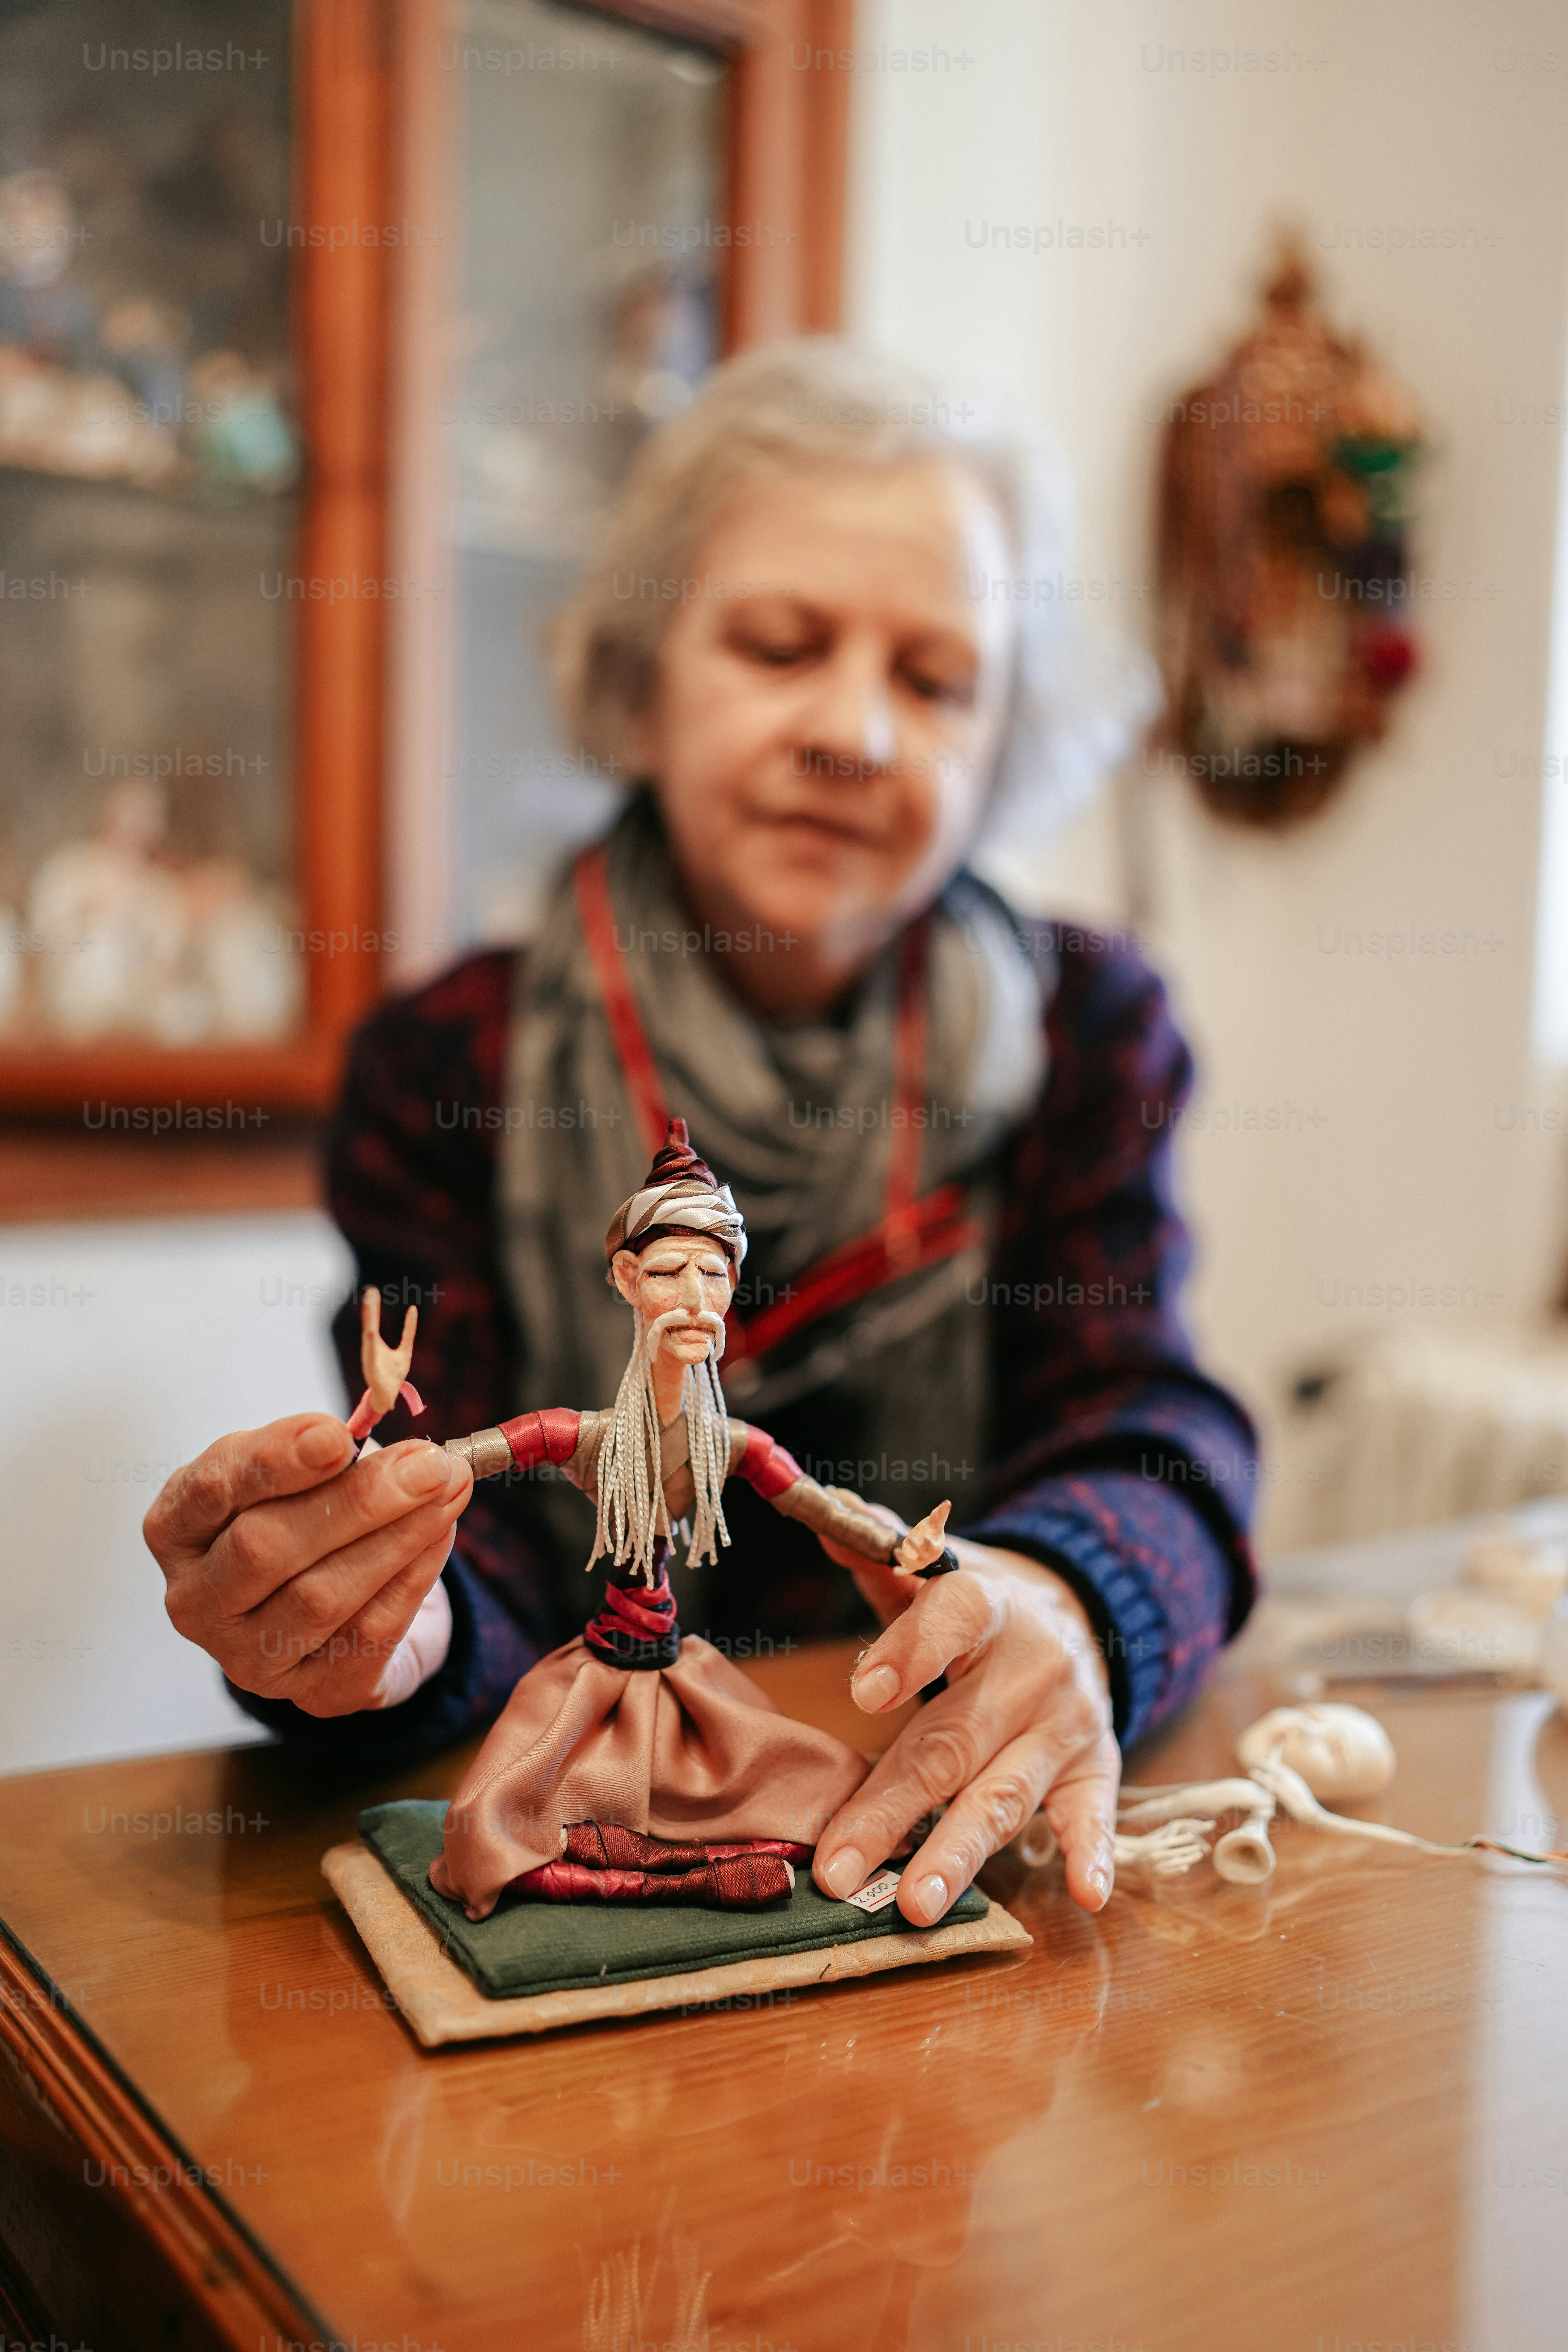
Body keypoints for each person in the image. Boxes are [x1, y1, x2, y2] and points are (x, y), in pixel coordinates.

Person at [145, 339, 1259, 1931]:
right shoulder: (441, 1059)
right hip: (580, 1841)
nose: (855, 733)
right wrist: (379, 1627)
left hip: (933, 1872)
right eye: (778, 643)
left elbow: (1151, 1423)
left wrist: (1080, 1598)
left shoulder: (1092, 1028)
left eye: (934, 680)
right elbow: (454, 1532)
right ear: (642, 670)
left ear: (1002, 740)